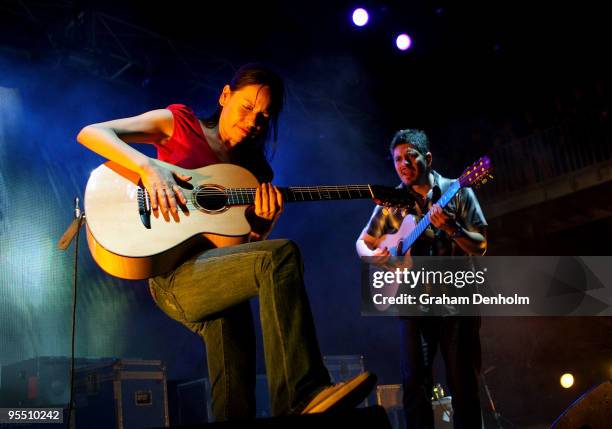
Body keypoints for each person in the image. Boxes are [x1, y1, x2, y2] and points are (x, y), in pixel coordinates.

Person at [77, 63, 375, 421]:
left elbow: (236, 253)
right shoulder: (179, 123)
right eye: (247, 107)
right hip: (172, 278)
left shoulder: (255, 175)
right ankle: (301, 393)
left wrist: (261, 226)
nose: (252, 121)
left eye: (263, 117)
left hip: (211, 276)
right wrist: (148, 167)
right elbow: (92, 133)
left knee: (234, 338)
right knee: (281, 256)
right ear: (224, 96)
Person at [356, 129, 487, 429]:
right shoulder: (390, 201)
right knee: (414, 386)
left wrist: (452, 229)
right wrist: (377, 257)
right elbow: (363, 242)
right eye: (397, 159)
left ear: (427, 158)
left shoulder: (460, 190)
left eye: (409, 156)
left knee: (463, 385)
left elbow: (481, 246)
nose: (403, 164)